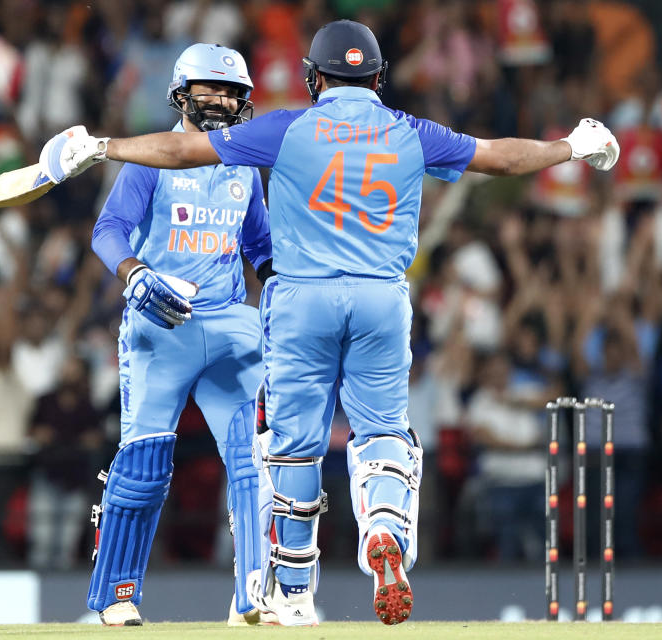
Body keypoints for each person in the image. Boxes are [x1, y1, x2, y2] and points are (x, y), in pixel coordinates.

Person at [39, 20, 620, 626]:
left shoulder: (285, 129)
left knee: (289, 450)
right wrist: (573, 145)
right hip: (380, 300)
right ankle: (385, 528)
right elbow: (502, 157)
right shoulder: (409, 130)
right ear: (378, 77)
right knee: (383, 435)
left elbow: (184, 155)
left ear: (314, 79)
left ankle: (288, 592)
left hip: (298, 303)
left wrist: (100, 146)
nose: (218, 102)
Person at [49, 44, 273, 626]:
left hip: (229, 322)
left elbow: (260, 245)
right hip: (160, 325)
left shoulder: (244, 163)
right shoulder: (149, 159)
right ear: (180, 95)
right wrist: (137, 274)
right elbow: (109, 230)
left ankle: (256, 591)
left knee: (254, 458)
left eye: (233, 92)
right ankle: (118, 594)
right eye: (211, 90)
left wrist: (281, 287)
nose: (224, 100)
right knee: (145, 463)